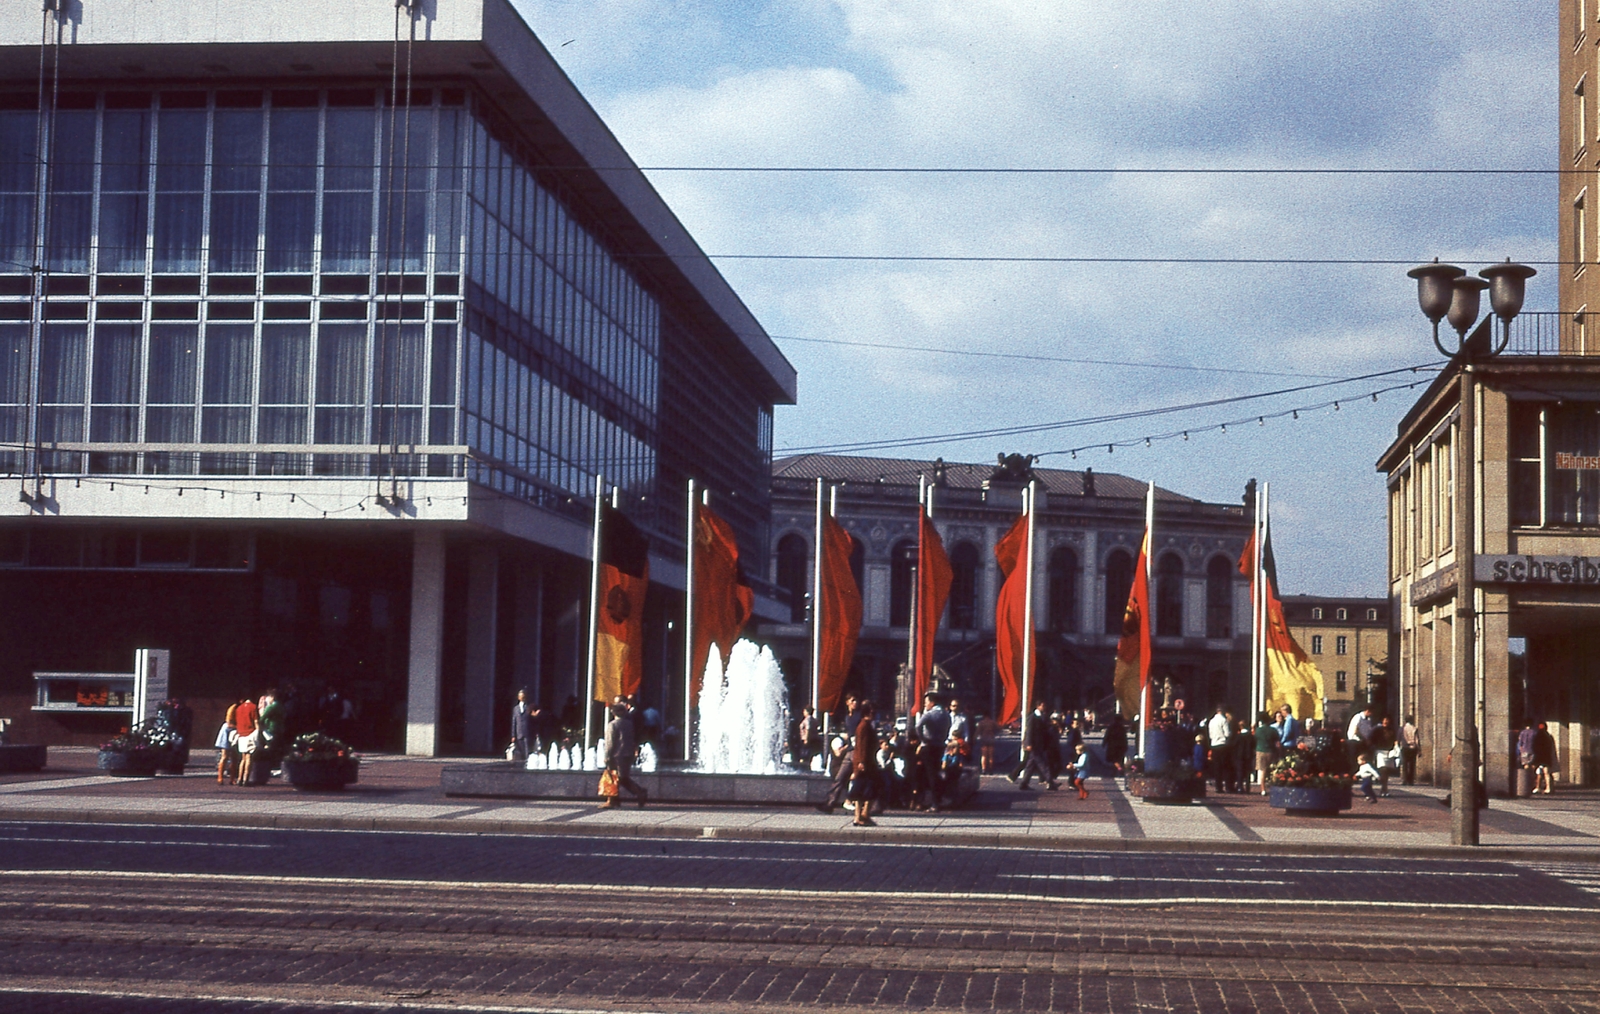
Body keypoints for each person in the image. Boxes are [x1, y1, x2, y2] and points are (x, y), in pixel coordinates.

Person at [602, 702, 647, 808]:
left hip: (616, 755)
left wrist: (607, 756)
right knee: (620, 777)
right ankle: (614, 799)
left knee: (618, 778)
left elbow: (610, 743)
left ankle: (639, 792)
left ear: (613, 713)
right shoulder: (629, 724)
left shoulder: (612, 725)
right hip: (627, 754)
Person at [849, 701, 880, 827]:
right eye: (872, 711)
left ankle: (860, 816)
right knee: (868, 789)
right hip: (865, 762)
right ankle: (863, 814)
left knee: (861, 790)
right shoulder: (864, 726)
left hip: (865, 761)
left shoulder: (865, 725)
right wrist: (861, 762)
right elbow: (861, 745)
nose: (874, 713)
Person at [1016, 703, 1059, 790]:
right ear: (1038, 706)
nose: (1044, 707)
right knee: (1042, 764)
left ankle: (1024, 783)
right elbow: (1029, 731)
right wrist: (1028, 743)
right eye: (1042, 705)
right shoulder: (1032, 717)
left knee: (1030, 765)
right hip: (1034, 745)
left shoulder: (1042, 717)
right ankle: (1050, 781)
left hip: (1039, 744)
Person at [233, 695, 259, 786]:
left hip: (241, 734)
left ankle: (239, 778)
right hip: (250, 734)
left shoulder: (238, 708)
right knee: (249, 758)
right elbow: (256, 721)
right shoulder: (253, 707)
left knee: (243, 758)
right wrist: (259, 733)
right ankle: (246, 779)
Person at [1207, 706, 1232, 794]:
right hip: (1223, 744)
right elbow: (1227, 733)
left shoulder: (1211, 721)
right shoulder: (1223, 720)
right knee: (1226, 767)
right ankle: (1228, 787)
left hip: (1214, 744)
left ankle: (1218, 787)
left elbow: (1210, 735)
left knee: (1217, 767)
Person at [215, 700, 240, 785]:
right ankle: (220, 777)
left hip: (236, 732)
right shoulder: (233, 708)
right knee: (225, 756)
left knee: (235, 757)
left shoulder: (240, 708)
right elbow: (228, 723)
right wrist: (239, 727)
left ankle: (232, 779)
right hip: (228, 731)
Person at [1253, 711, 1277, 795]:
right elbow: (1277, 743)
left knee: (1262, 770)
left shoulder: (1258, 730)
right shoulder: (1273, 730)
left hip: (1260, 751)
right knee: (1272, 771)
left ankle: (1263, 789)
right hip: (1270, 751)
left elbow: (1254, 738)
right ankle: (1273, 788)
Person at [510, 689, 536, 763]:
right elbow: (514, 722)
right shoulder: (516, 709)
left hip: (527, 732)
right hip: (519, 732)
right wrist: (513, 735)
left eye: (524, 696)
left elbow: (532, 721)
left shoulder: (528, 707)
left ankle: (527, 762)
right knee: (520, 751)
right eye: (521, 696)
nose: (522, 697)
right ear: (518, 697)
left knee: (527, 750)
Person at [1533, 721, 1558, 795]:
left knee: (1540, 773)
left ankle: (1540, 787)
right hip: (1546, 757)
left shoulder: (1537, 736)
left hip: (1540, 758)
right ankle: (1547, 788)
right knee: (1546, 773)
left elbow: (1535, 748)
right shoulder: (1548, 736)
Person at [796, 706, 821, 771]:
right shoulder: (814, 719)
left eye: (804, 711)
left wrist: (806, 738)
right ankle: (807, 766)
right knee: (809, 753)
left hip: (807, 739)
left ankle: (803, 767)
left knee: (804, 754)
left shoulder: (808, 719)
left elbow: (808, 729)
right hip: (813, 738)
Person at [1399, 714, 1420, 785]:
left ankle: (1405, 779)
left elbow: (1399, 738)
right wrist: (1419, 749)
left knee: (1404, 764)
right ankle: (1411, 780)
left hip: (1405, 748)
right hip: (1413, 748)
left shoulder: (1402, 728)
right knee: (1412, 764)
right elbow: (1417, 740)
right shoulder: (1414, 728)